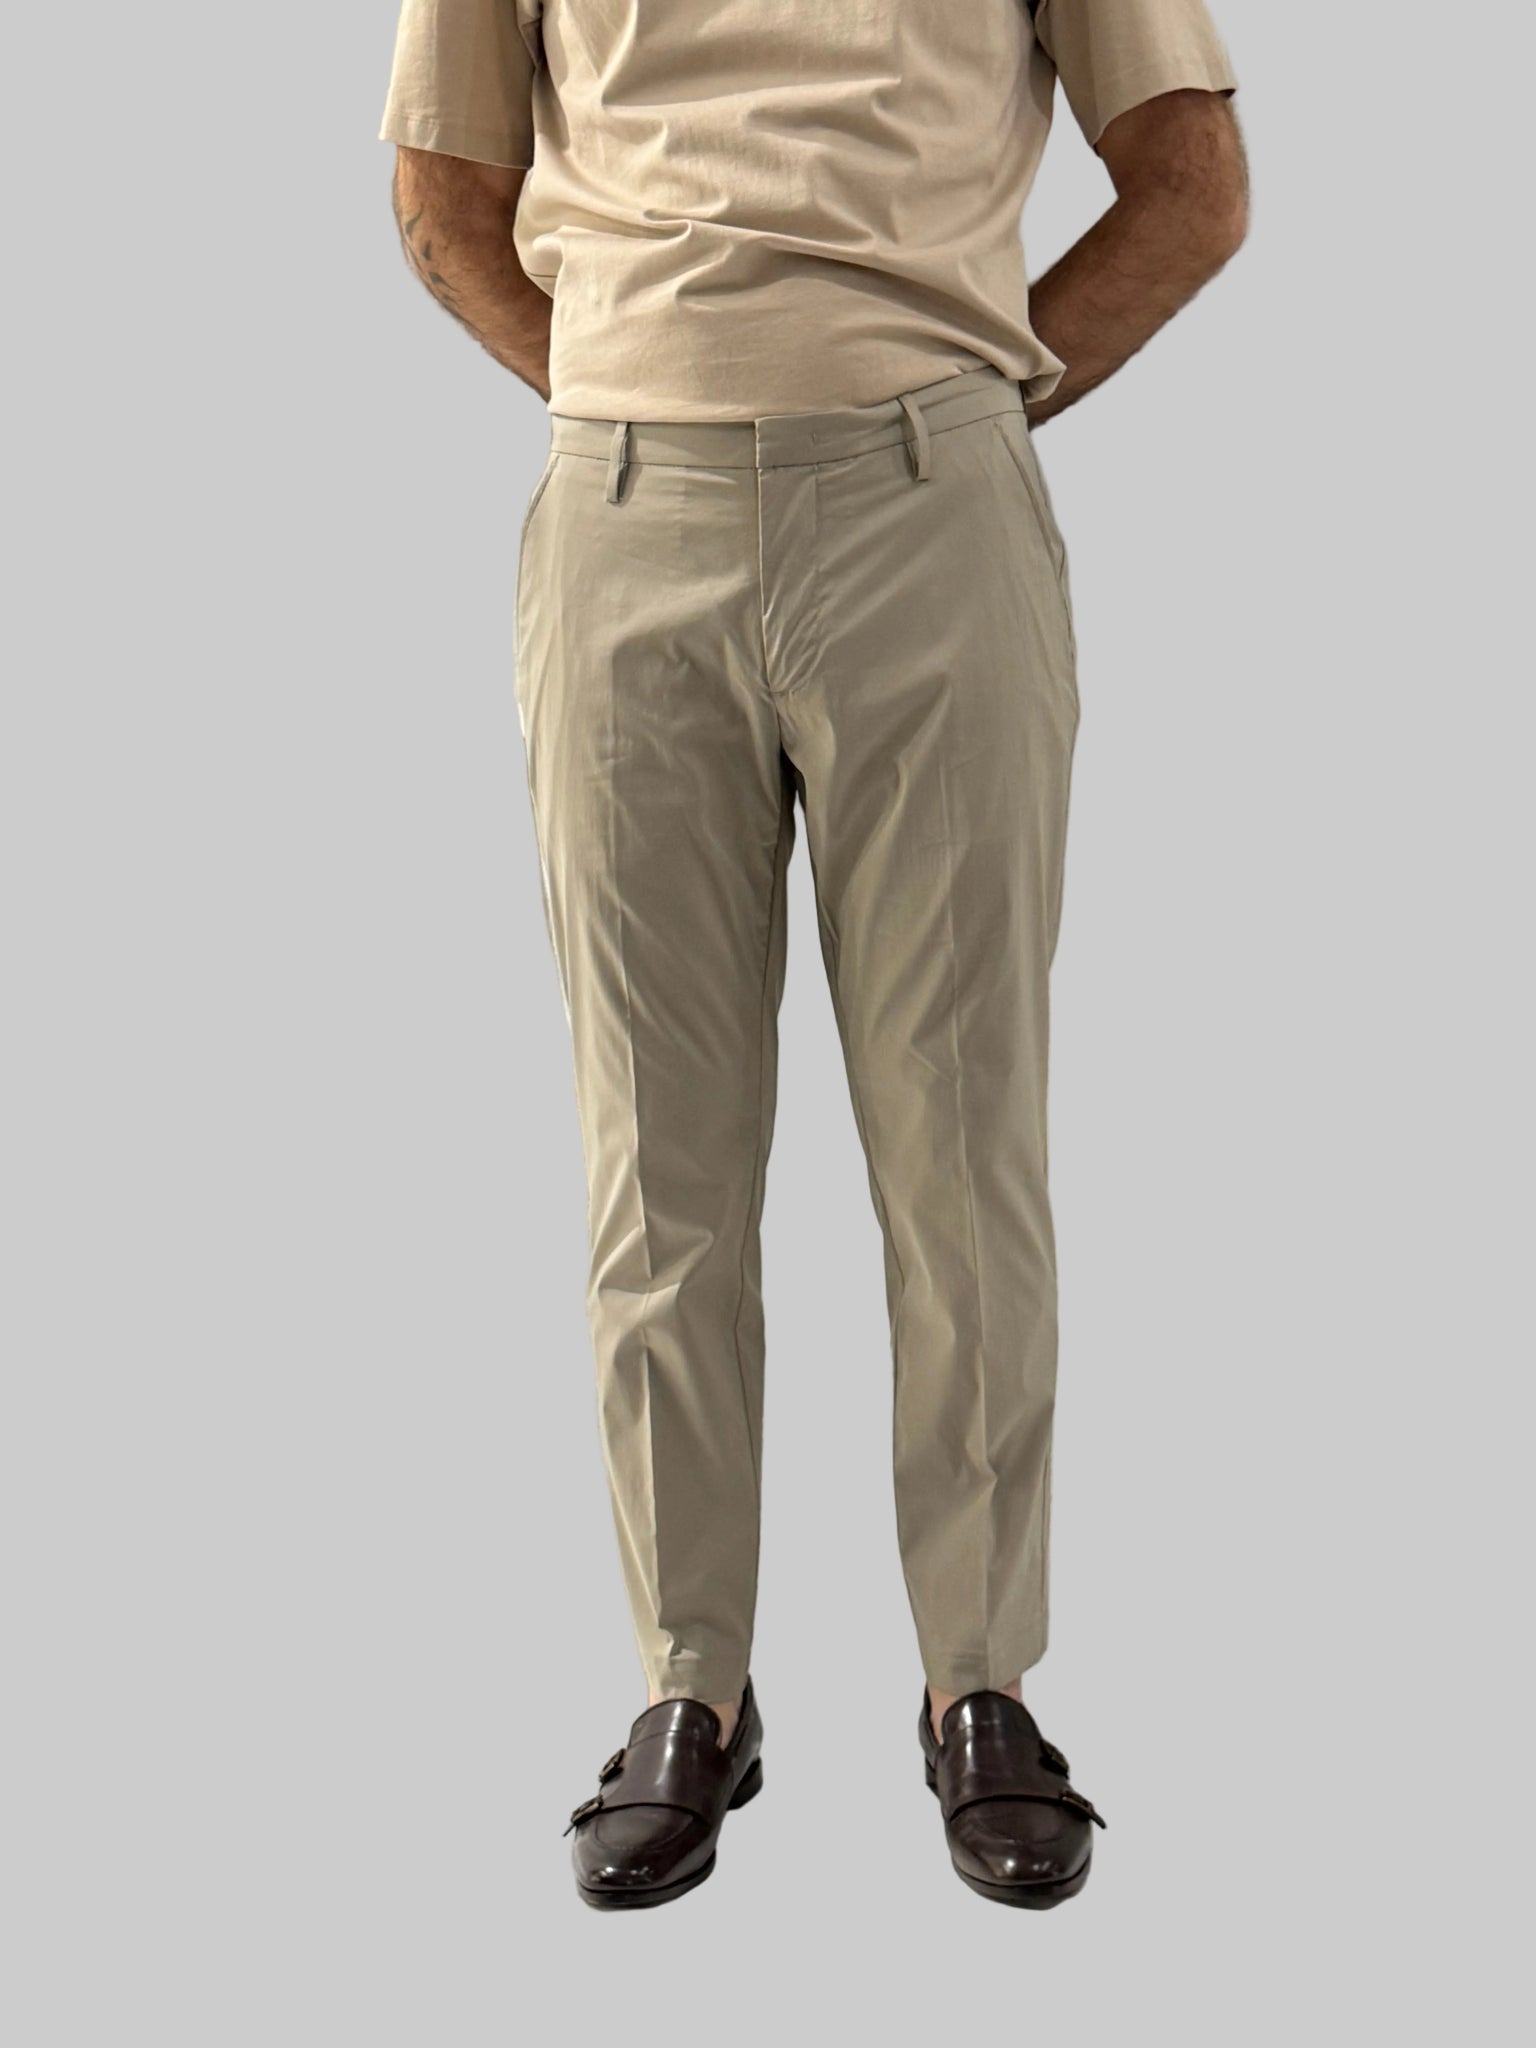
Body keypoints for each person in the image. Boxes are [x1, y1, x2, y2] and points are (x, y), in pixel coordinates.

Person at [380, 0, 1246, 1912]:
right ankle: (689, 1684)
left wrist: (969, 396)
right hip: (627, 517)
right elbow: (441, 189)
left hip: (931, 515)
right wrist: (622, 383)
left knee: (963, 1143)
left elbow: (1193, 185)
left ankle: (978, 1681)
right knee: (656, 1157)